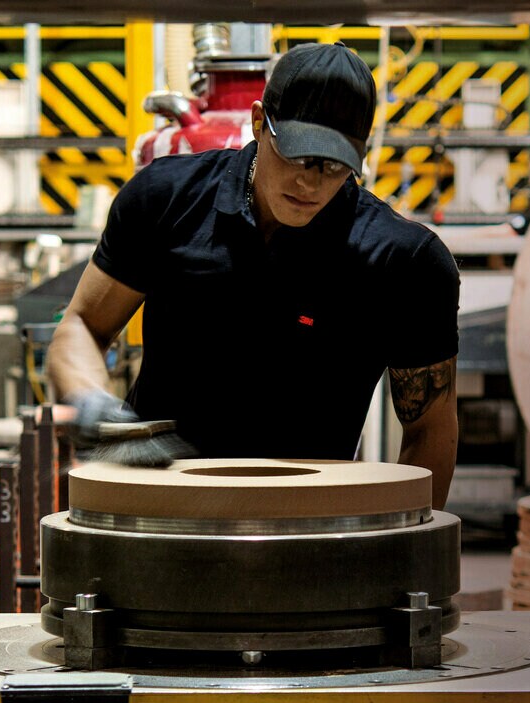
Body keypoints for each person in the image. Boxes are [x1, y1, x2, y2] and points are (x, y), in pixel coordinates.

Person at [46, 42, 460, 509]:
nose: (311, 182)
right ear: (260, 121)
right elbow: (82, 325)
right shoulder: (166, 200)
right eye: (298, 156)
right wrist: (93, 404)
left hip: (310, 526)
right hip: (161, 512)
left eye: (334, 164)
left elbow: (429, 428)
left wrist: (411, 552)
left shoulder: (403, 262)